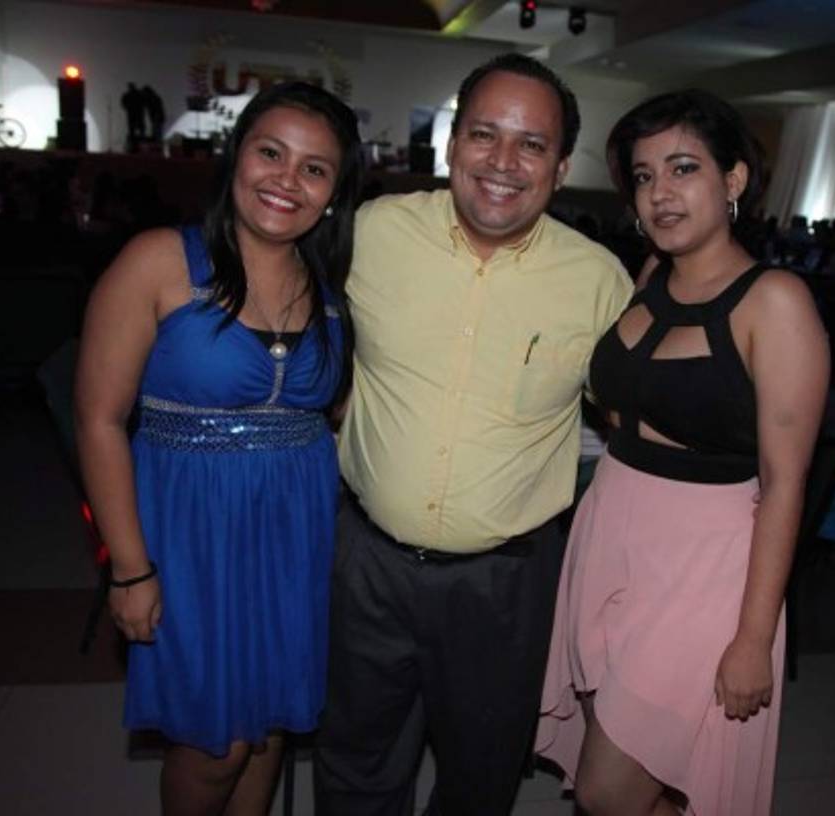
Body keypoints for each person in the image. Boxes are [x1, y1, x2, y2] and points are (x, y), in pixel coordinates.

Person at [313, 53, 633, 815]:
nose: (503, 162)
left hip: (507, 585)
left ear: (559, 168)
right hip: (367, 566)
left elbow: (639, 421)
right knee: (355, 761)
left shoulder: (598, 282)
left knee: (482, 776)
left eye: (532, 144)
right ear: (453, 144)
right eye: (485, 134)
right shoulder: (371, 235)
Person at [536, 90, 829, 815]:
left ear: (733, 181)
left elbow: (787, 484)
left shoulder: (776, 301)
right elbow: (622, 406)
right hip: (615, 535)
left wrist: (754, 638)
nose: (659, 193)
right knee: (639, 764)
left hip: (706, 568)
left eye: (682, 168)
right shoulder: (649, 280)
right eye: (642, 176)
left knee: (608, 790)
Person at [75, 82, 362, 814]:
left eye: (314, 168)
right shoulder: (158, 261)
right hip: (189, 541)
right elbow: (100, 421)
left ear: (333, 193)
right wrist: (130, 572)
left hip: (292, 543)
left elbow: (333, 416)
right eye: (271, 152)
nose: (286, 180)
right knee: (214, 745)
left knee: (264, 732)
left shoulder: (329, 291)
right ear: (236, 158)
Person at [121, 82, 146, 152]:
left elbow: (123, 104)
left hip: (131, 115)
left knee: (132, 130)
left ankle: (133, 146)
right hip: (139, 115)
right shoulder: (139, 95)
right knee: (141, 131)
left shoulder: (127, 95)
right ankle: (141, 146)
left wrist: (128, 108)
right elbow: (144, 103)